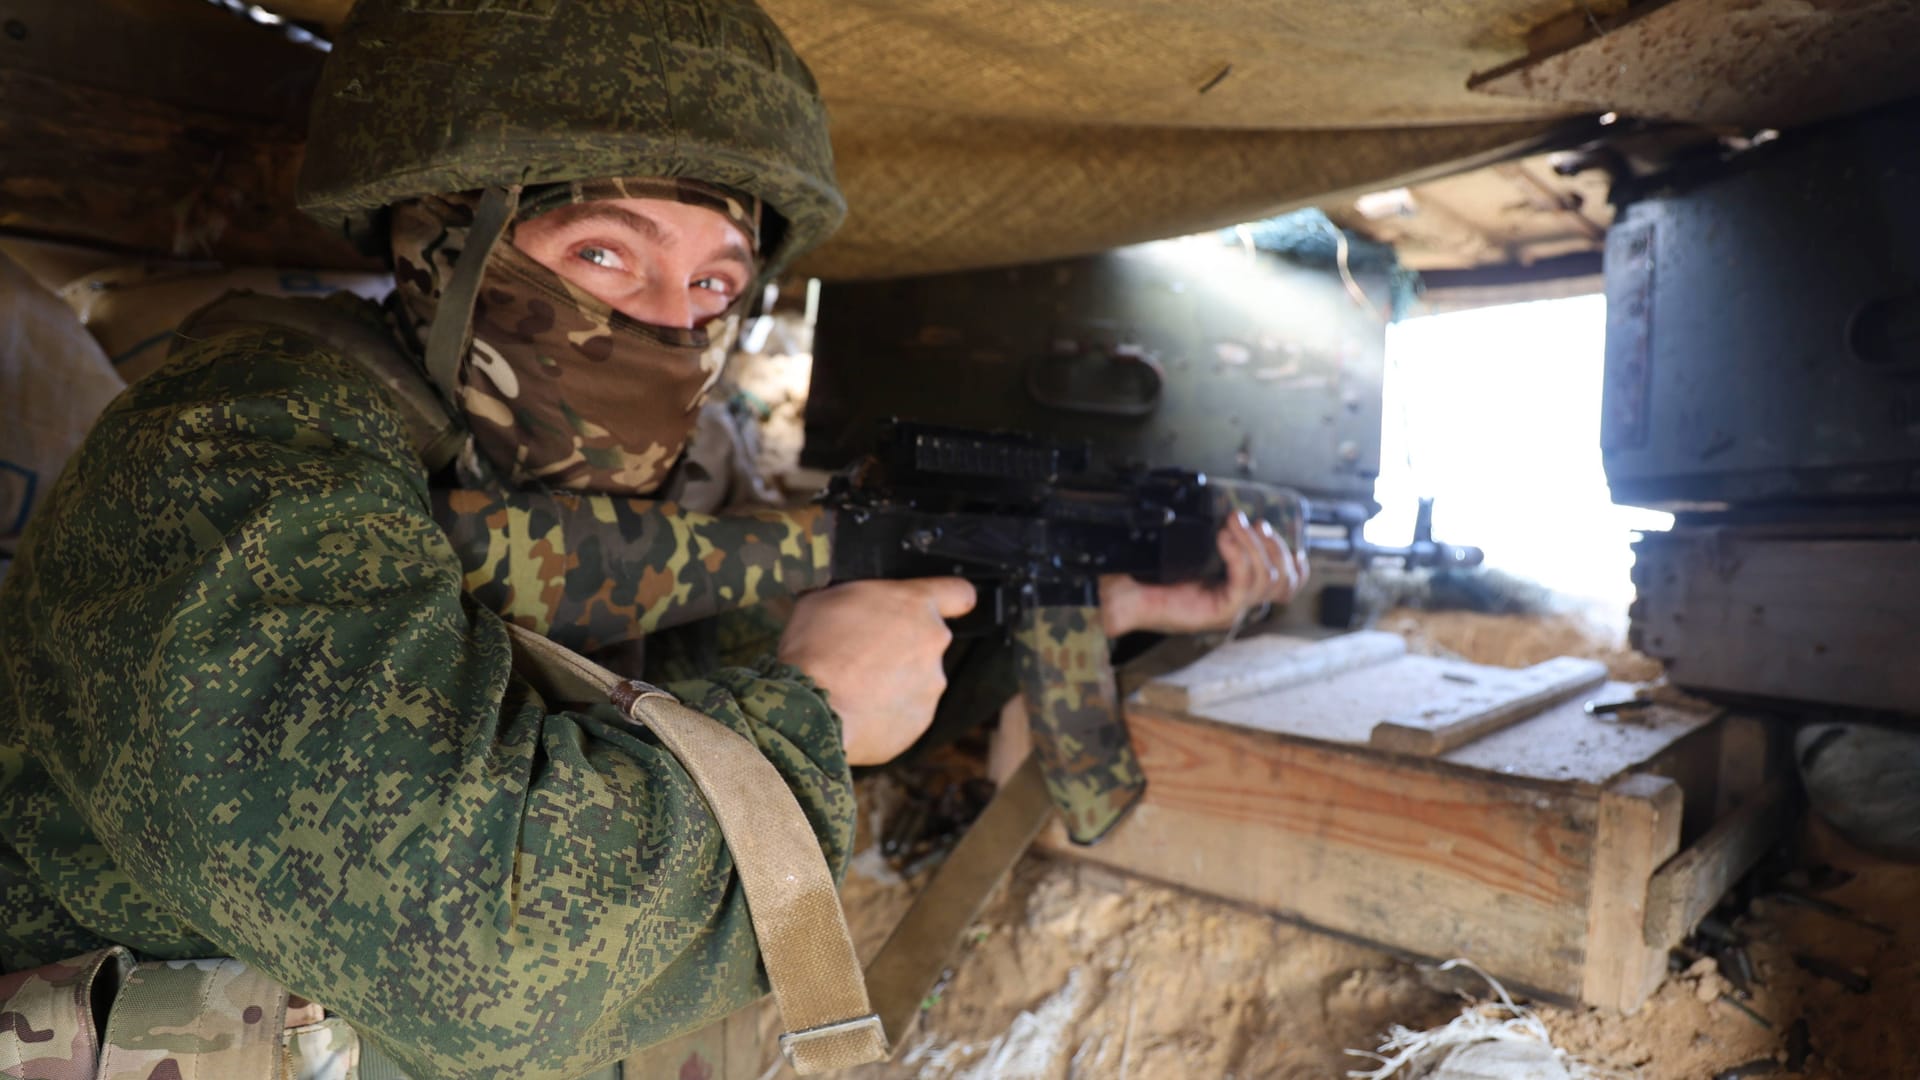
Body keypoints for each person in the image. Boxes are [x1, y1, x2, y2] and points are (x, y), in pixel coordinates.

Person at [0, 0, 1302, 1076]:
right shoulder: (230, 469)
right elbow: (489, 957)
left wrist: (1090, 617)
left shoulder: (564, 472)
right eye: (606, 254)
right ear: (443, 239)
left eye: (717, 281)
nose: (671, 320)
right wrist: (812, 720)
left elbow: (689, 675)